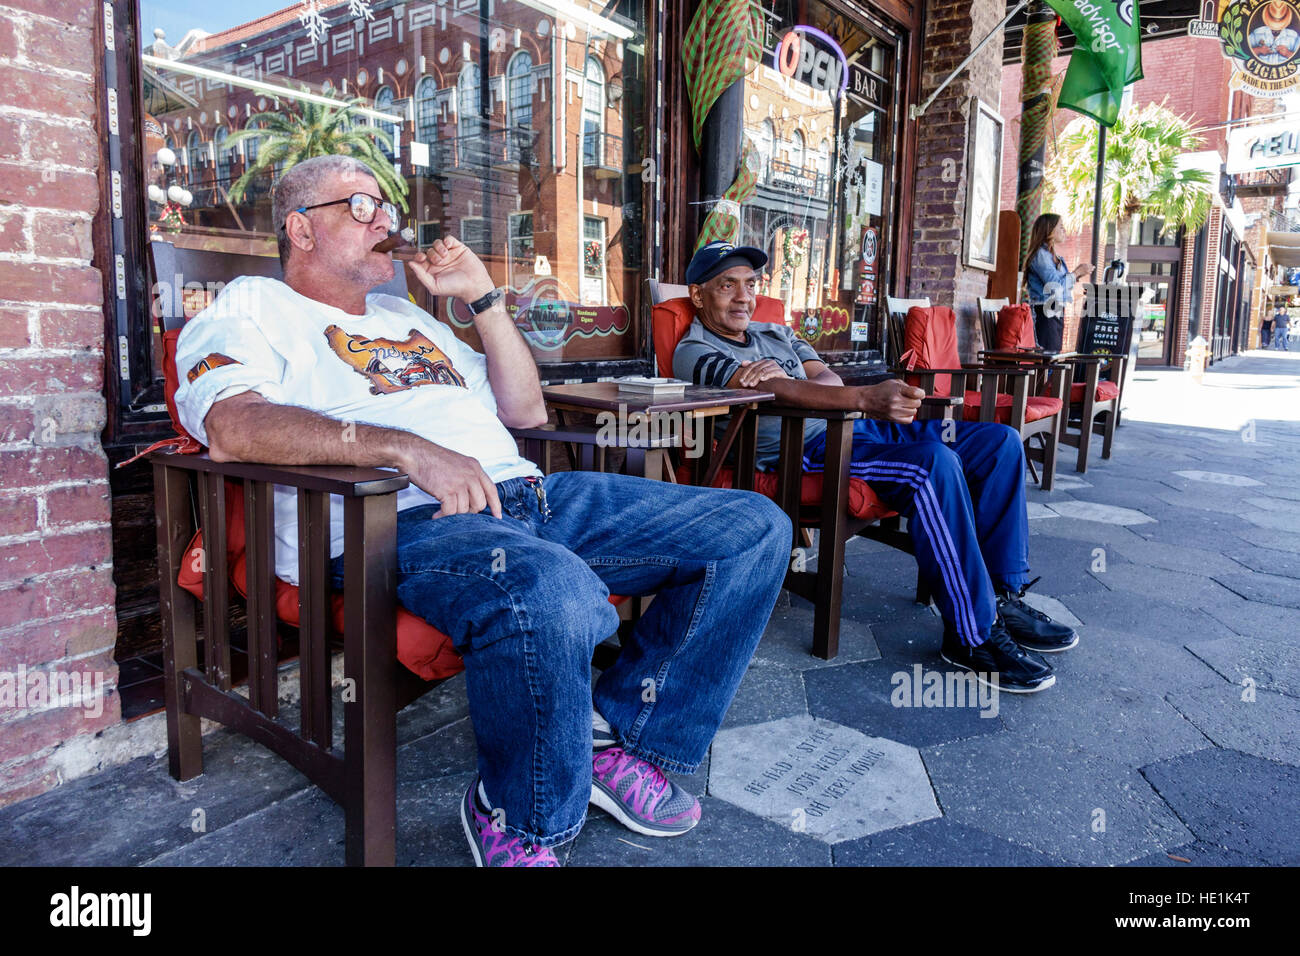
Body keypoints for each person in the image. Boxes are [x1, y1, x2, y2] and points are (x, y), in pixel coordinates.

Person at [172, 157, 791, 866]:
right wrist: (408, 450)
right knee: (550, 589)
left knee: (753, 530)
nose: (390, 223)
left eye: (389, 208)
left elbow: (525, 410)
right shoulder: (250, 307)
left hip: (529, 498)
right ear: (300, 229)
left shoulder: (407, 318)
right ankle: (519, 817)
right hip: (398, 522)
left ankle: (623, 742)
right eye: (365, 207)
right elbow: (233, 427)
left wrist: (485, 300)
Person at [674, 242, 1080, 695]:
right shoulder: (694, 349)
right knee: (931, 465)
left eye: (749, 284)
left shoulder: (777, 333)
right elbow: (781, 393)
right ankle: (973, 636)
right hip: (804, 449)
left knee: (999, 443)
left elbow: (826, 379)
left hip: (856, 430)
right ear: (698, 295)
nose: (743, 297)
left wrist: (802, 385)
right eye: (727, 285)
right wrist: (857, 397)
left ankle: (1002, 597)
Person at [1023, 213, 1095, 352]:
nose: (1065, 230)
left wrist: (1077, 275)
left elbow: (1062, 285)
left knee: (1053, 355)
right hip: (1044, 312)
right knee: (1047, 357)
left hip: (1055, 310)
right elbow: (1055, 286)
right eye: (1061, 227)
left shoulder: (1053, 256)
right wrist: (1077, 273)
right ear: (1049, 229)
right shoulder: (1041, 255)